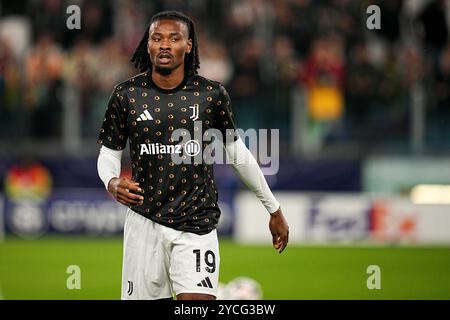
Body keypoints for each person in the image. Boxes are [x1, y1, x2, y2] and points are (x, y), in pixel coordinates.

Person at [97, 11, 289, 300]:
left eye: (174, 38)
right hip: (144, 222)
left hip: (196, 223)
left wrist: (273, 209)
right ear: (147, 44)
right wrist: (112, 182)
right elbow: (108, 153)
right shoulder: (126, 95)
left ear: (188, 45)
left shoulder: (211, 95)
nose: (164, 45)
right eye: (157, 38)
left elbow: (238, 156)